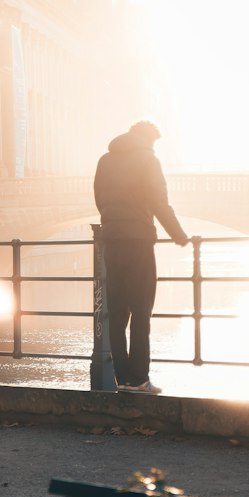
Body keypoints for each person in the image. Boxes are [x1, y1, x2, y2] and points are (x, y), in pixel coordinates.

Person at [94, 120, 189, 394]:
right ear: (148, 138)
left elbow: (100, 199)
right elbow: (159, 200)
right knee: (141, 312)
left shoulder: (105, 160)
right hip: (138, 242)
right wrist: (179, 235)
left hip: (111, 242)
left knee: (118, 313)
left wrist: (113, 223)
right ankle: (139, 380)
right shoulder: (148, 159)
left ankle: (121, 379)